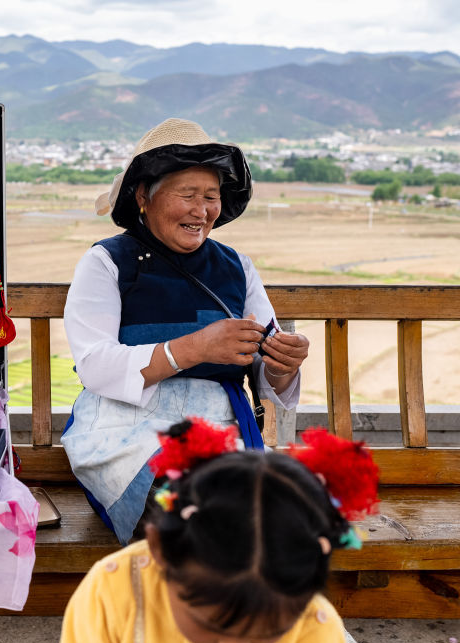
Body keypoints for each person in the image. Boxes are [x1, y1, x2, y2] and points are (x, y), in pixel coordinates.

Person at [62, 117, 310, 545]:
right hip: (126, 436)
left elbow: (265, 371)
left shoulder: (236, 267)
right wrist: (193, 348)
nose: (202, 210)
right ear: (144, 195)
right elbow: (95, 367)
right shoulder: (107, 262)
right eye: (188, 195)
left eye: (211, 196)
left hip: (220, 431)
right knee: (198, 513)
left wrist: (282, 364)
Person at [57, 419, 380, 643]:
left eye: (266, 632)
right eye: (210, 623)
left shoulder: (314, 626)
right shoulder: (112, 593)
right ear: (160, 549)